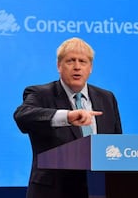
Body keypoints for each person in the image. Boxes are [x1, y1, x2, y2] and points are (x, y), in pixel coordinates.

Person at [13, 37, 122, 198]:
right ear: (59, 66)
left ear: (90, 67)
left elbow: (116, 143)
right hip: (53, 191)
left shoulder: (106, 98)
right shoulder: (40, 94)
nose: (77, 67)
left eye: (82, 61)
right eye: (70, 61)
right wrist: (67, 116)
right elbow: (22, 115)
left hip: (98, 190)